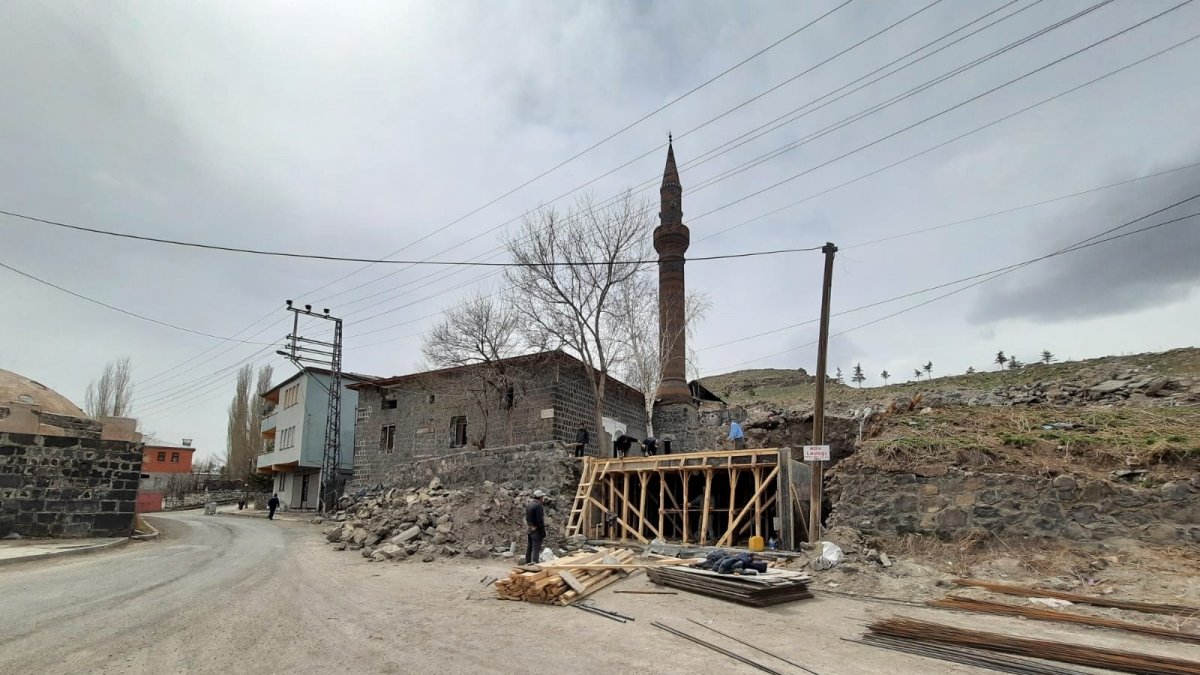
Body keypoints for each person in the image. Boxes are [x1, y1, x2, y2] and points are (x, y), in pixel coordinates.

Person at [524, 489, 546, 564]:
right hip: (536, 530)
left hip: (530, 528)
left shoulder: (529, 505)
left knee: (529, 547)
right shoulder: (538, 506)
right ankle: (535, 564)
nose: (543, 499)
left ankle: (527, 563)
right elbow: (540, 520)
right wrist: (542, 531)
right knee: (536, 548)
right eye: (542, 497)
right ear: (540, 497)